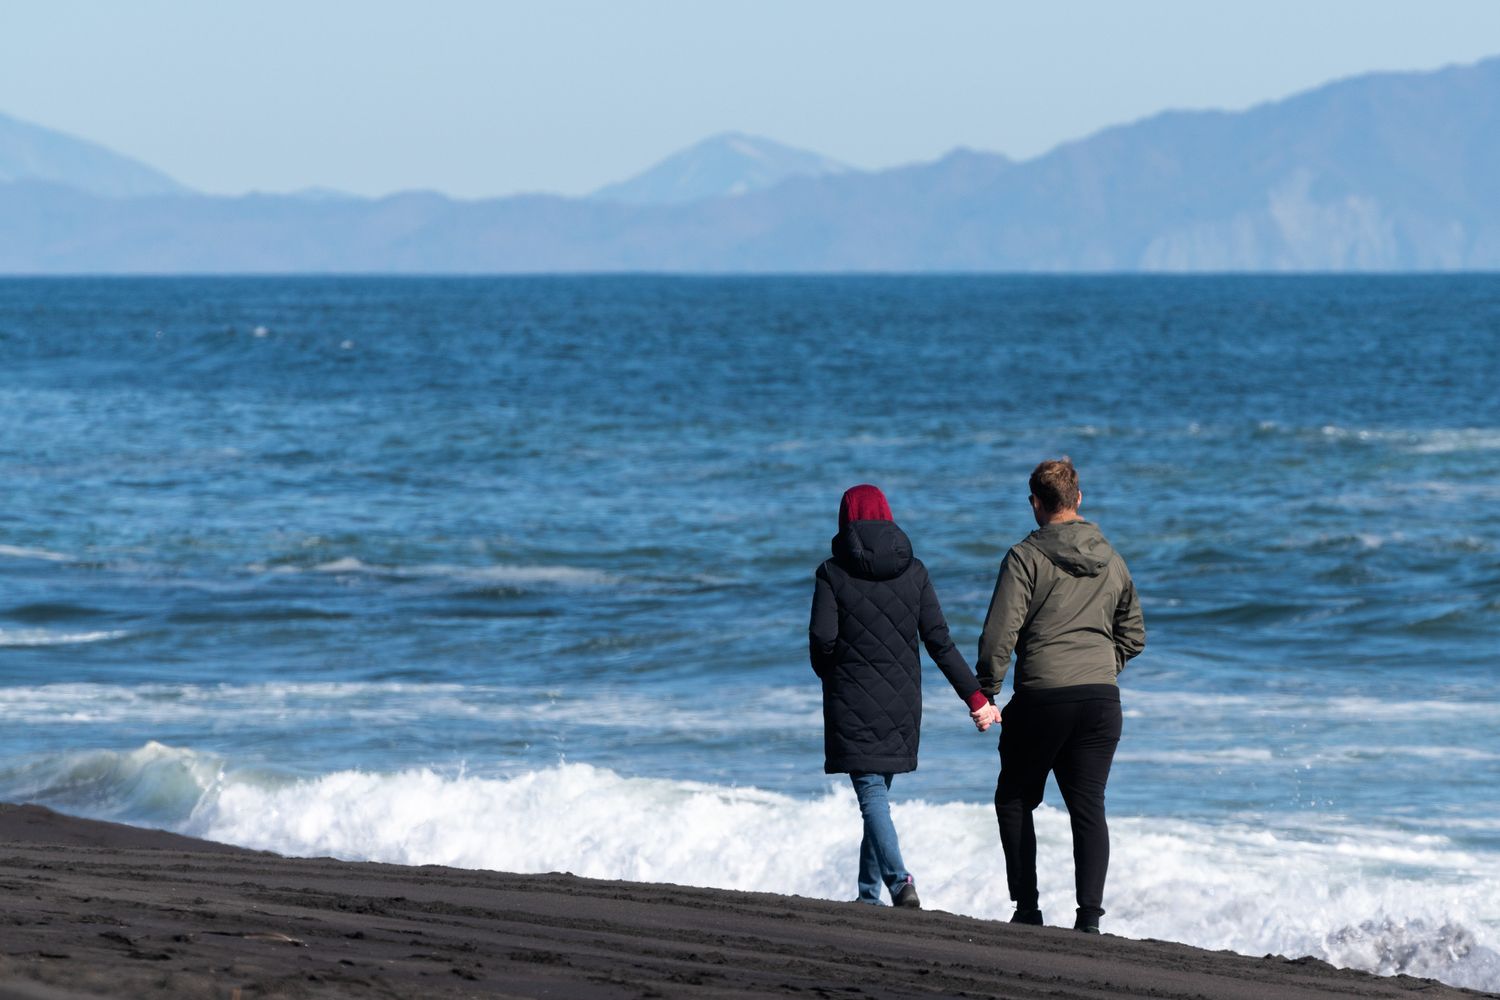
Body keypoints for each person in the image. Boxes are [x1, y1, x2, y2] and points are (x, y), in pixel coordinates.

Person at [973, 458, 1145, 934]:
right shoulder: (1112, 558)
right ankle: (1089, 919)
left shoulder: (1024, 557)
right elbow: (1134, 634)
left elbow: (999, 635)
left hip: (1043, 699)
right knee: (1088, 806)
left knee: (1013, 798)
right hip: (1101, 700)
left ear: (1035, 503)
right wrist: (1102, 667)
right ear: (1078, 498)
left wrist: (987, 691)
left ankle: (1028, 910)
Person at [810, 484, 993, 908]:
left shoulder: (831, 573)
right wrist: (976, 698)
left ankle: (899, 882)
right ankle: (867, 895)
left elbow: (822, 639)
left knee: (872, 795)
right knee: (876, 796)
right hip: (903, 702)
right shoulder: (916, 571)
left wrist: (829, 674)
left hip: (851, 699)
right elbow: (940, 642)